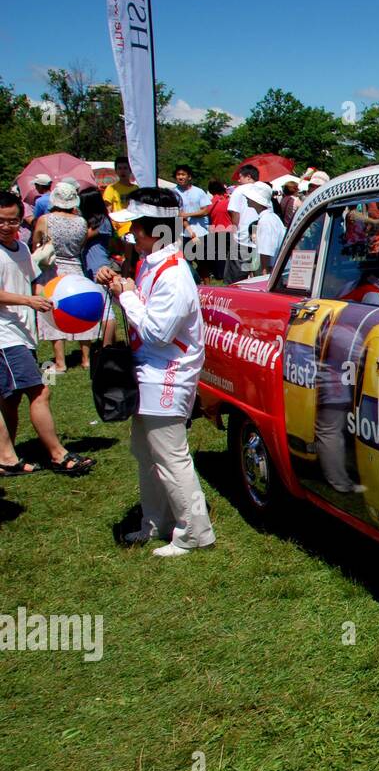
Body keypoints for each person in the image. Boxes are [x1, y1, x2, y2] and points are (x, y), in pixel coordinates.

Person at [98, 187, 215, 556]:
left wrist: (126, 295)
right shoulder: (152, 262)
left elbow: (158, 332)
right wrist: (119, 281)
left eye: (136, 227)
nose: (131, 233)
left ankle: (195, 531)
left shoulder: (175, 273)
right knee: (147, 453)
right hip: (148, 373)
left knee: (171, 456)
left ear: (156, 231)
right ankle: (156, 522)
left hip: (167, 374)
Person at [0, 191, 95, 476]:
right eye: (1, 221)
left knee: (10, 397)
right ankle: (57, 454)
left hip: (22, 330)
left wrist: (50, 300)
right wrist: (29, 301)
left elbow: (30, 281)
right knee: (39, 391)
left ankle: (6, 455)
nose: (7, 226)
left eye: (13, 220)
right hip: (5, 335)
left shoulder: (19, 248)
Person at [31, 181, 93, 370]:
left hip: (53, 269)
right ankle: (86, 359)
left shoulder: (45, 219)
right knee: (82, 311)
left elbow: (36, 244)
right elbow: (80, 245)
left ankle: (60, 362)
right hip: (75, 268)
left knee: (52, 312)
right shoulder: (82, 222)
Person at [79, 191, 118, 345]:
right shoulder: (95, 222)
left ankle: (107, 347)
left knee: (105, 310)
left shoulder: (102, 222)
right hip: (92, 267)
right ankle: (112, 344)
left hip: (99, 267)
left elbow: (81, 238)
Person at [173, 164, 212, 275]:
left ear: (189, 177)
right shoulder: (173, 192)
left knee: (203, 260)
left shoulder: (199, 192)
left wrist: (188, 214)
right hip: (182, 232)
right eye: (178, 175)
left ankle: (207, 286)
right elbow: (178, 214)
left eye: (183, 174)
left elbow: (205, 211)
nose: (180, 177)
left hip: (200, 230)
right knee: (183, 260)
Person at [226, 165, 260, 281]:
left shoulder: (239, 190)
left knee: (236, 277)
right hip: (260, 240)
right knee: (258, 277)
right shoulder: (263, 189)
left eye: (240, 177)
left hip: (242, 238)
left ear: (249, 177)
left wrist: (235, 232)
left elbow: (235, 214)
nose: (238, 180)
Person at [243, 182, 286, 275]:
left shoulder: (265, 221)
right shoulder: (272, 217)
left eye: (249, 197)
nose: (247, 198)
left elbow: (266, 251)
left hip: (273, 270)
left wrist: (264, 274)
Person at [102, 156, 138, 240]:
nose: (123, 171)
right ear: (116, 171)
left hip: (134, 223)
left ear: (130, 170)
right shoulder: (112, 188)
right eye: (120, 168)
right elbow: (108, 209)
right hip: (119, 225)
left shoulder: (136, 189)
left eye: (125, 168)